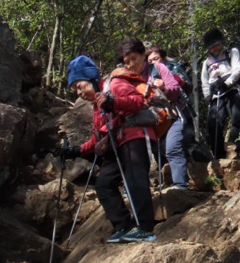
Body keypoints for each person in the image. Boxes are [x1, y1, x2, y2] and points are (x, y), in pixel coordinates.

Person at [59, 46, 166, 243]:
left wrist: (112, 102)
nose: (79, 92)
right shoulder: (96, 106)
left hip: (136, 135)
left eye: (79, 85)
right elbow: (97, 138)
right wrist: (75, 151)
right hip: (118, 143)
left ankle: (144, 228)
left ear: (91, 78)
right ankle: (124, 227)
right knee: (104, 184)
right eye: (75, 89)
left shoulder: (114, 84)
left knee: (135, 180)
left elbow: (137, 101)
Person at [146, 45, 193, 189]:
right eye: (150, 60)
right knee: (166, 148)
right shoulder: (147, 75)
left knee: (185, 143)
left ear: (163, 57)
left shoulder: (171, 67)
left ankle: (185, 181)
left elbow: (185, 86)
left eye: (156, 58)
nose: (154, 62)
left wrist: (168, 84)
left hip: (179, 109)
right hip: (160, 116)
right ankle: (176, 180)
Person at [200, 28, 240, 159]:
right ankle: (218, 153)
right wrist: (207, 96)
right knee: (214, 123)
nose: (214, 49)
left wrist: (227, 83)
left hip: (233, 89)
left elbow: (238, 70)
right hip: (216, 94)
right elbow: (204, 81)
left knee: (237, 118)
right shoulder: (206, 63)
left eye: (216, 45)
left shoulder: (232, 52)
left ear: (221, 42)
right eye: (211, 47)